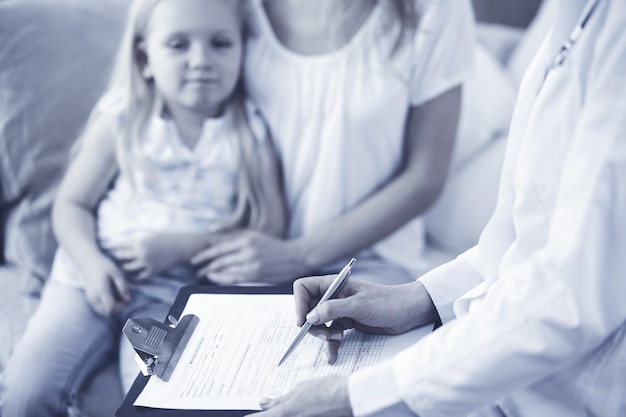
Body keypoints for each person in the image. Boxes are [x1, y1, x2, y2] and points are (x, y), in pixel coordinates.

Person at [247, 0, 626, 415]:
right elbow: (522, 239)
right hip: (495, 379)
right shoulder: (572, 23)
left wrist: (357, 398)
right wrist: (419, 298)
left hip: (554, 401)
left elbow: (570, 294)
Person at [0, 0, 285, 415]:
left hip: (177, 295)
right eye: (177, 45)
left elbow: (270, 228)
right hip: (87, 280)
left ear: (244, 52)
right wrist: (92, 265)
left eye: (220, 43)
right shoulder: (123, 118)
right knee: (28, 392)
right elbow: (71, 204)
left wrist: (184, 246)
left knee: (153, 403)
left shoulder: (249, 131)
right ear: (144, 58)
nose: (200, 60)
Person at [190, 0, 476, 285]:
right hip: (254, 257)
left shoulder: (436, 8)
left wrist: (298, 255)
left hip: (370, 264)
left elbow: (425, 177)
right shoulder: (237, 7)